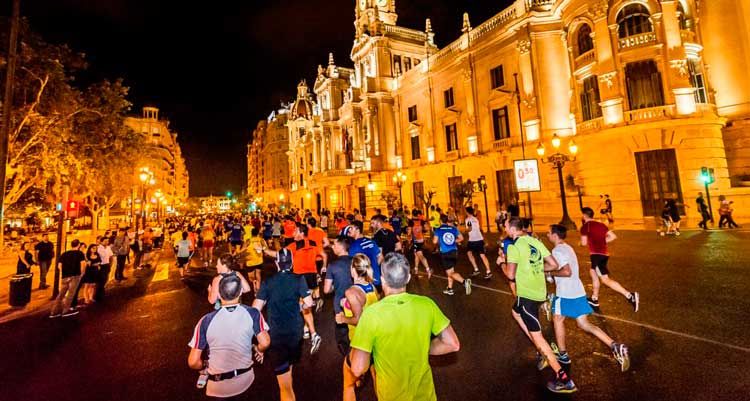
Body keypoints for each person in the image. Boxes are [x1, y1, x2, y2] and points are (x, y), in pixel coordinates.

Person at [348, 253, 460, 401]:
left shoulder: (371, 314)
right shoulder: (427, 304)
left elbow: (357, 368)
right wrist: (423, 348)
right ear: (408, 278)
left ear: (382, 279)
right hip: (425, 395)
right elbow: (452, 344)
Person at [502, 217, 577, 393]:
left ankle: (564, 379)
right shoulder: (534, 241)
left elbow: (510, 275)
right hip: (540, 293)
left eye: (505, 226)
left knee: (538, 337)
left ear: (512, 229)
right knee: (515, 312)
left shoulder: (513, 247)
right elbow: (554, 264)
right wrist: (536, 268)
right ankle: (542, 349)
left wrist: (502, 263)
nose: (504, 229)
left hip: (527, 296)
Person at [546, 224, 631, 372]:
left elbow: (567, 272)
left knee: (557, 319)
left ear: (555, 235)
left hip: (566, 293)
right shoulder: (567, 247)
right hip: (578, 290)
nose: (547, 235)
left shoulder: (557, 250)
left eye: (548, 233)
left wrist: (549, 273)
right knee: (584, 324)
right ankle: (615, 346)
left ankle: (563, 355)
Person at [188, 274, 270, 400]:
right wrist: (258, 349)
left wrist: (204, 366)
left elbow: (193, 362)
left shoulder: (205, 321)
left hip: (218, 388)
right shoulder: (253, 314)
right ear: (240, 292)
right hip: (245, 382)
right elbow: (265, 342)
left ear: (219, 295)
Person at [252, 249, 314, 401]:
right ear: (292, 263)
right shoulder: (299, 279)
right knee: (288, 371)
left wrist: (260, 339)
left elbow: (255, 310)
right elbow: (309, 303)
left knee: (284, 386)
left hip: (277, 336)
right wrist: (298, 306)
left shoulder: (268, 282)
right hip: (295, 334)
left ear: (276, 263)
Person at [261, 224, 325, 354]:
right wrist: (324, 266)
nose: (293, 233)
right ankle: (306, 329)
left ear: (301, 233)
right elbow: (323, 254)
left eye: (295, 231)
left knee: (303, 305)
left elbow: (279, 255)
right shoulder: (313, 243)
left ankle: (313, 334)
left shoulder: (295, 246)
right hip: (312, 276)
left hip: (300, 277)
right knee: (307, 306)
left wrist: (264, 249)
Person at [336, 254, 379, 401]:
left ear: (353, 270)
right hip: (374, 342)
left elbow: (358, 320)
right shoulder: (372, 287)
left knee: (348, 384)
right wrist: (346, 304)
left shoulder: (351, 292)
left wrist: (343, 318)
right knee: (377, 380)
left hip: (359, 343)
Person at [580, 207, 639, 312]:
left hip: (596, 255)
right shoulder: (601, 225)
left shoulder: (585, 226)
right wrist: (602, 241)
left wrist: (581, 243)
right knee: (593, 272)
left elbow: (584, 243)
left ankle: (630, 296)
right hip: (604, 254)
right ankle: (594, 298)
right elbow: (612, 236)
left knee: (605, 279)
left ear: (584, 215)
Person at [323, 235, 354, 356]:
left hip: (340, 303)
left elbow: (326, 290)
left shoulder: (333, 265)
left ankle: (347, 356)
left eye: (334, 245)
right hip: (356, 300)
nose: (332, 247)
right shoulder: (356, 261)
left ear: (341, 247)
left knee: (342, 330)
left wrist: (334, 286)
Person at [432, 215, 472, 296]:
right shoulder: (453, 228)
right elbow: (461, 238)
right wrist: (453, 241)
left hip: (446, 253)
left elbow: (434, 242)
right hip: (454, 252)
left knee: (450, 273)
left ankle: (464, 282)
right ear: (447, 220)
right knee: (450, 271)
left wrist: (440, 240)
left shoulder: (438, 229)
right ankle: (450, 289)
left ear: (440, 221)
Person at [50, 239, 86, 318]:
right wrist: (82, 274)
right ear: (78, 245)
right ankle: (65, 311)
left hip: (65, 276)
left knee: (61, 294)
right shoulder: (80, 253)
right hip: (75, 275)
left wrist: (64, 272)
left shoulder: (64, 254)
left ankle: (54, 311)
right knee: (71, 294)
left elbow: (59, 266)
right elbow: (83, 264)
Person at [345, 221, 383, 289]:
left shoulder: (354, 246)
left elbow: (351, 264)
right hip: (376, 280)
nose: (349, 230)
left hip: (364, 283)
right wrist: (372, 268)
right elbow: (381, 257)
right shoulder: (371, 241)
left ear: (358, 230)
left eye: (351, 228)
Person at [464, 206, 492, 279]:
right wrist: (484, 239)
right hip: (479, 239)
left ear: (467, 212)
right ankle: (488, 271)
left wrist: (464, 231)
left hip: (473, 240)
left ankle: (476, 269)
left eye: (465, 211)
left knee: (469, 253)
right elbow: (479, 229)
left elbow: (469, 229)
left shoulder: (468, 219)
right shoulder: (475, 219)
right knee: (482, 255)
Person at [407, 210, 431, 277]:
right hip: (421, 240)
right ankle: (416, 269)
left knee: (420, 255)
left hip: (415, 241)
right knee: (416, 255)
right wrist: (422, 231)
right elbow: (427, 228)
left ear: (412, 214)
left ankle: (428, 270)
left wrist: (408, 239)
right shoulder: (421, 221)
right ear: (417, 215)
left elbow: (409, 232)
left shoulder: (411, 222)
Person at [243, 227, 266, 292]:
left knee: (251, 277)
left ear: (251, 233)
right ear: (257, 233)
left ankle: (254, 284)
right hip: (259, 260)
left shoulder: (248, 241)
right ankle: (258, 289)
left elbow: (243, 250)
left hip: (250, 262)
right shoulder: (261, 239)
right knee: (258, 274)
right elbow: (265, 248)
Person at [95, 237, 114, 302]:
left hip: (107, 265)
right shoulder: (98, 248)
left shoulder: (108, 248)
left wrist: (110, 264)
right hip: (101, 266)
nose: (107, 242)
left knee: (105, 279)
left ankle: (101, 293)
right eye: (105, 241)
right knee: (101, 280)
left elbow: (111, 256)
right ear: (101, 242)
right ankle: (98, 296)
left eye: (107, 241)